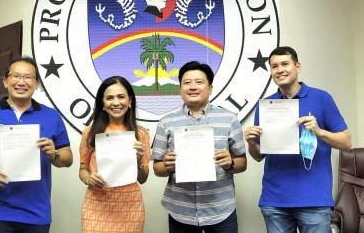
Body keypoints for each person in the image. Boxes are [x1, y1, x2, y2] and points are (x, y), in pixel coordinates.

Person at [0, 56, 73, 233]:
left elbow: (67, 159)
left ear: (37, 83)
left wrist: (53, 153)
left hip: (36, 213)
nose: (21, 82)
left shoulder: (51, 116)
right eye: (15, 76)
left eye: (28, 77)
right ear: (5, 81)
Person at [244, 46, 352, 233]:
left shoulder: (321, 98)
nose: (280, 70)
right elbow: (258, 156)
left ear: (298, 67)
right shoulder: (266, 105)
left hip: (314, 200)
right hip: (275, 201)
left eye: (285, 64)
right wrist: (252, 144)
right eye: (274, 66)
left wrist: (320, 131)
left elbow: (347, 142)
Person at [152, 61, 247, 233]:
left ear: (210, 88)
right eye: (187, 83)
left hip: (221, 210)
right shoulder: (166, 122)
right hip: (180, 211)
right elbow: (157, 168)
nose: (193, 87)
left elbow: (242, 162)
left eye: (199, 82)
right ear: (180, 88)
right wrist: (167, 166)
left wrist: (230, 163)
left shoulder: (229, 118)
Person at [79, 76, 150, 233]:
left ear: (130, 101)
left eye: (121, 97)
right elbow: (82, 169)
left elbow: (143, 178)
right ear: (102, 103)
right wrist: (88, 178)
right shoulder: (90, 132)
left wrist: (138, 159)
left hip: (130, 207)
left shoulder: (141, 134)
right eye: (109, 98)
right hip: (96, 204)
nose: (116, 103)